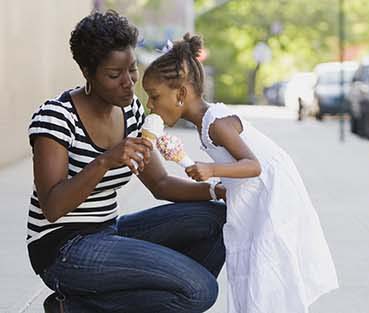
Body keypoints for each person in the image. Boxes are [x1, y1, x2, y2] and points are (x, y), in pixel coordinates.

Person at [27, 11, 227, 313]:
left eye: (132, 69)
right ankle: (74, 308)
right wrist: (105, 161)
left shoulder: (131, 110)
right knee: (200, 290)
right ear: (87, 72)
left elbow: (160, 184)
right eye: (114, 74)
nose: (128, 82)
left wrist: (217, 190)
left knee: (217, 219)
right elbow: (53, 207)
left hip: (108, 231)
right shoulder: (56, 117)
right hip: (62, 248)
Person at [142, 33, 339, 313]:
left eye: (154, 96)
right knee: (252, 268)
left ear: (181, 94)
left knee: (268, 268)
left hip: (272, 195)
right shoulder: (204, 125)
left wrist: (211, 169)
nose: (150, 105)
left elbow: (253, 165)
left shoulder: (216, 123)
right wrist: (200, 170)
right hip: (253, 193)